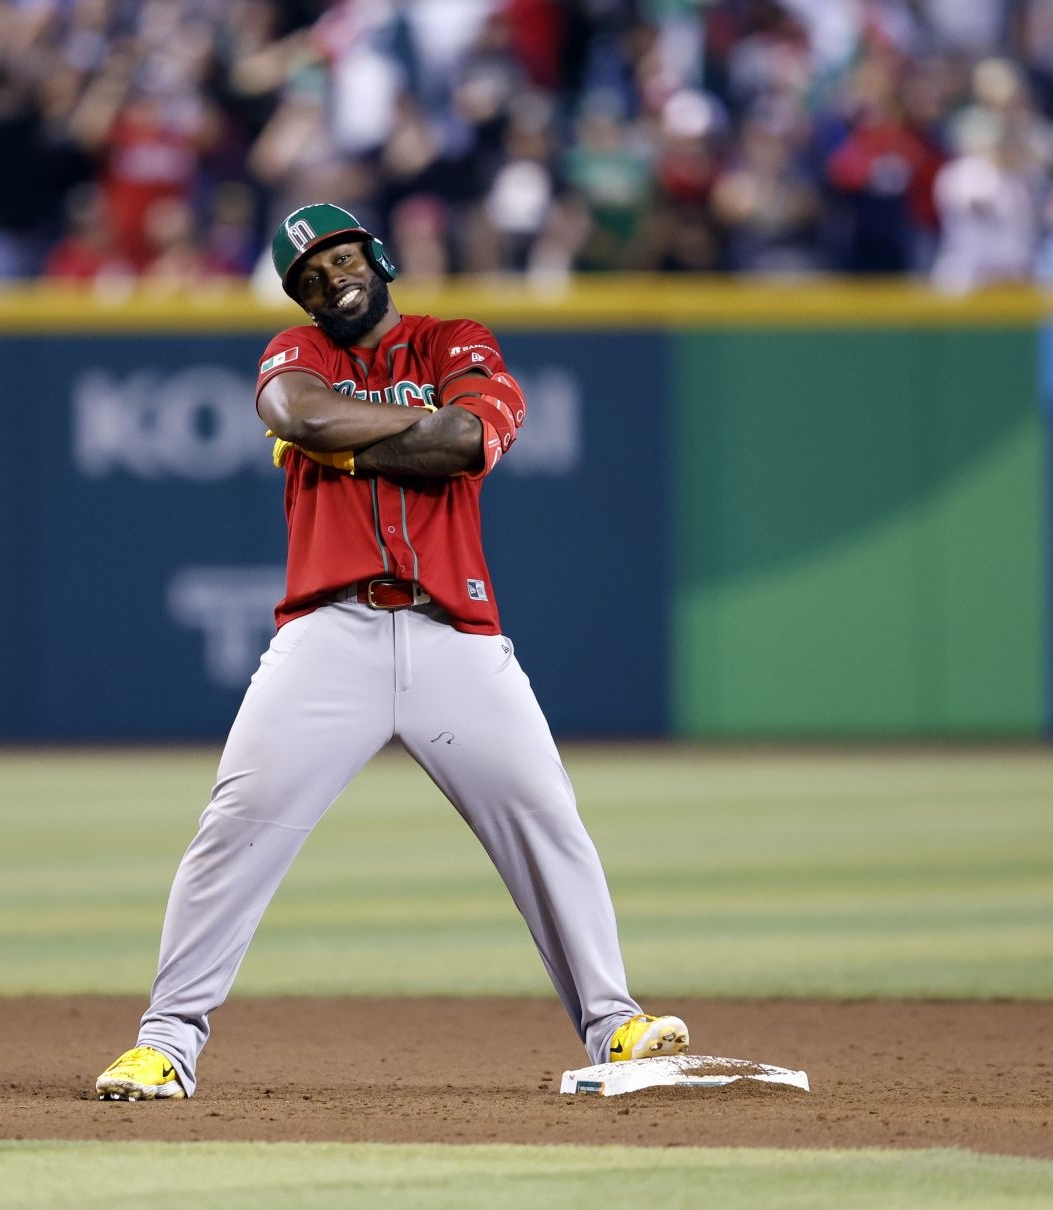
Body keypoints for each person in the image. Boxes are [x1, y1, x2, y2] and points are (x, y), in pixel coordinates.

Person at [95, 204, 688, 1101]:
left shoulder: (455, 338)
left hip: (456, 636)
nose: (331, 276)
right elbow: (296, 411)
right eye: (310, 273)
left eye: (340, 255)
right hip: (328, 634)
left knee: (546, 820)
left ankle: (615, 1027)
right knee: (235, 832)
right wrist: (356, 432)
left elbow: (462, 442)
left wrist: (343, 447)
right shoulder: (296, 355)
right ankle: (164, 1044)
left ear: (374, 254)